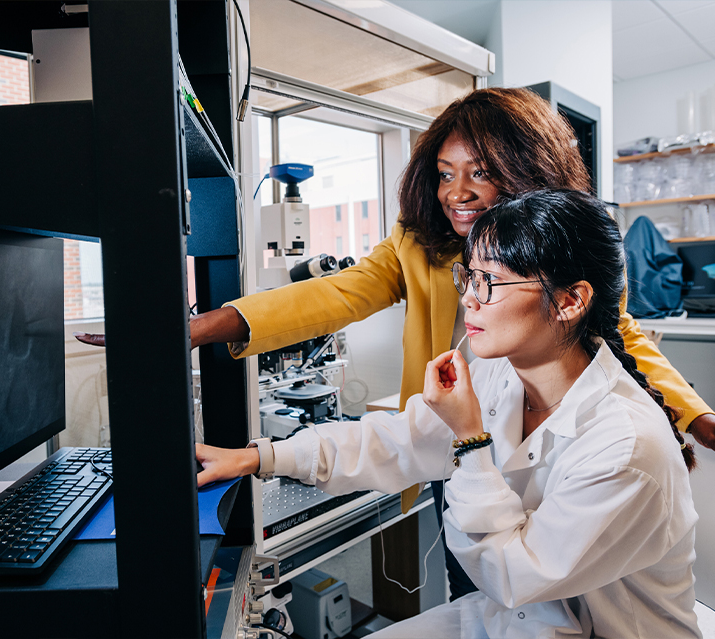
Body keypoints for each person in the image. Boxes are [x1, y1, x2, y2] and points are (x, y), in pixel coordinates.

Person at [75, 87, 714, 598]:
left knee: (517, 578)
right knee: (484, 583)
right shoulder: (460, 319)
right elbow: (341, 305)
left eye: (480, 174)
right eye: (443, 174)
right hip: (462, 444)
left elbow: (620, 338)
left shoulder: (616, 426)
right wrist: (211, 341)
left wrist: (694, 415)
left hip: (487, 457)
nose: (455, 194)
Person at [196, 190, 701, 638]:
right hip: (510, 621)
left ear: (570, 300)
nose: (468, 299)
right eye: (469, 276)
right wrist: (260, 456)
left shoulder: (627, 445)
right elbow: (397, 440)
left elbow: (511, 575)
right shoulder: (499, 374)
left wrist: (469, 439)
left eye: (491, 282)